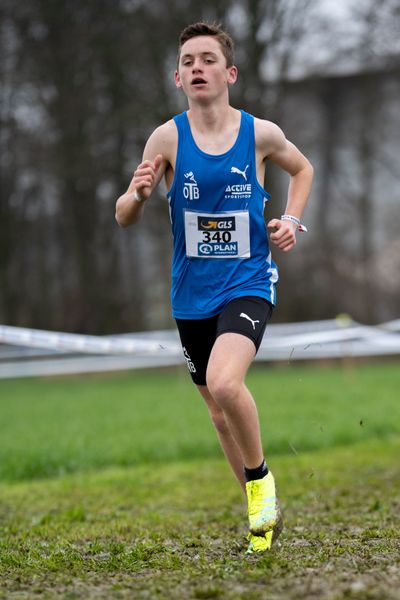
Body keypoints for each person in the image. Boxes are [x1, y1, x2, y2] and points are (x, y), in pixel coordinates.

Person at [115, 22, 313, 554]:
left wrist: (292, 222)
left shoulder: (261, 134)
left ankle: (261, 483)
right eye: (187, 61)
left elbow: (304, 169)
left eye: (207, 59)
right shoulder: (166, 138)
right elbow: (124, 216)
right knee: (217, 413)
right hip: (190, 296)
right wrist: (136, 195)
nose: (196, 67)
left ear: (229, 73)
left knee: (227, 384)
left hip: (248, 282)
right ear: (178, 78)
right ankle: (260, 518)